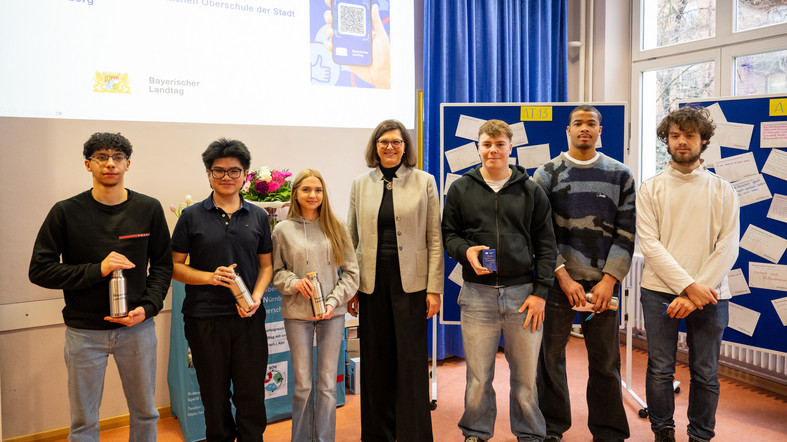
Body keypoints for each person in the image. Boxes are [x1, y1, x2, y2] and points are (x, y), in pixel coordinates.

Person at [29, 132, 172, 441]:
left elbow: (163, 266)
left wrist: (148, 307)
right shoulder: (65, 211)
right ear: (88, 164)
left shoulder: (149, 208)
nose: (110, 164)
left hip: (137, 330)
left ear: (128, 164)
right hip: (84, 333)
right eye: (102, 158)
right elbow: (40, 270)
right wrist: (98, 270)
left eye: (117, 158)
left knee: (146, 413)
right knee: (83, 423)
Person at [442, 119, 556, 442]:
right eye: (487, 144)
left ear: (510, 147)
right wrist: (465, 251)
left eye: (500, 144)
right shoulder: (461, 189)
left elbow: (547, 245)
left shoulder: (531, 190)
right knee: (478, 377)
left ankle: (530, 434)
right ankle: (476, 432)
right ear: (478, 148)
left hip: (523, 296)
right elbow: (448, 235)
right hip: (477, 295)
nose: (493, 150)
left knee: (526, 379)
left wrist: (541, 292)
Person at [636, 106, 739, 442]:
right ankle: (662, 431)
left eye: (690, 135)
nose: (682, 141)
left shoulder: (723, 190)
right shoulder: (650, 189)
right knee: (660, 368)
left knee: (706, 371)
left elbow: (728, 247)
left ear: (703, 140)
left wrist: (696, 292)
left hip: (711, 294)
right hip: (659, 291)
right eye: (675, 135)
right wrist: (688, 287)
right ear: (666, 141)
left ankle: (700, 435)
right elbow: (650, 246)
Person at [533, 105, 635, 442]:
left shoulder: (620, 174)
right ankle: (551, 428)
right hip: (557, 283)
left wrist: (609, 280)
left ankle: (609, 432)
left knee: (605, 361)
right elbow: (539, 232)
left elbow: (626, 232)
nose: (584, 128)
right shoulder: (547, 173)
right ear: (568, 130)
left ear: (599, 130)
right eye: (578, 123)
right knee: (550, 359)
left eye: (591, 123)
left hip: (603, 285)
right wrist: (562, 276)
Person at [347, 119, 444, 441]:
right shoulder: (360, 184)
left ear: (405, 147)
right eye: (384, 142)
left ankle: (413, 434)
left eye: (396, 142)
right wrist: (350, 286)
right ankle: (378, 434)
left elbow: (434, 238)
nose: (390, 147)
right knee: (376, 361)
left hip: (412, 285)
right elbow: (351, 238)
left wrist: (434, 289)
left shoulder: (424, 181)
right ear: (375, 147)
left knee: (411, 361)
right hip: (371, 285)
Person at [171, 138, 273, 442]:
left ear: (245, 175)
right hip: (204, 319)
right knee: (214, 399)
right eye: (219, 171)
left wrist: (256, 297)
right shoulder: (191, 216)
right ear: (208, 173)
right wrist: (210, 277)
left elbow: (266, 266)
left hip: (248, 319)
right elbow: (174, 266)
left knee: (251, 397)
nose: (226, 177)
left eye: (234, 171)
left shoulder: (258, 216)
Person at [272, 169, 359, 442]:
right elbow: (276, 272)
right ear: (295, 193)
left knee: (327, 384)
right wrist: (294, 283)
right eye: (306, 189)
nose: (313, 195)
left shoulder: (337, 226)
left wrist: (333, 301)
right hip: (297, 315)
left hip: (332, 315)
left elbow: (352, 273)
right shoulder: (282, 230)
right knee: (302, 385)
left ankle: (323, 439)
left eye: (318, 190)